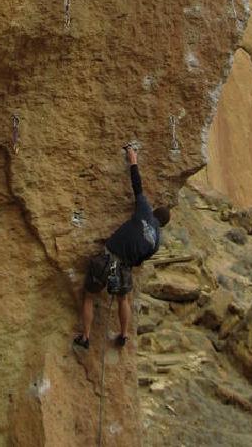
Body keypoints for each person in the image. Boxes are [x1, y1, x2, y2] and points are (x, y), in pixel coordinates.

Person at [73, 145, 170, 350]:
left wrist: (133, 159)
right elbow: (138, 262)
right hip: (124, 267)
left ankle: (86, 336)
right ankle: (124, 334)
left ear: (154, 213)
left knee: (90, 296)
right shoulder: (156, 242)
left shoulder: (145, 212)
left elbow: (137, 187)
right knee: (123, 298)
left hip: (107, 259)